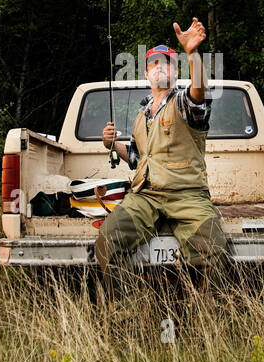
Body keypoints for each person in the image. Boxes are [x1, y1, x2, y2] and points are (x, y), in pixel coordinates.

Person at [94, 16, 231, 306]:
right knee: (108, 240)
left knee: (216, 251)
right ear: (146, 73)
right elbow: (138, 158)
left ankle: (209, 323)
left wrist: (192, 52)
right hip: (145, 197)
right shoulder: (141, 116)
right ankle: (127, 314)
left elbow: (199, 95)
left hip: (187, 195)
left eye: (166, 62)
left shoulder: (183, 102)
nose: (160, 67)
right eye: (154, 63)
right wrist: (112, 144)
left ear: (176, 70)